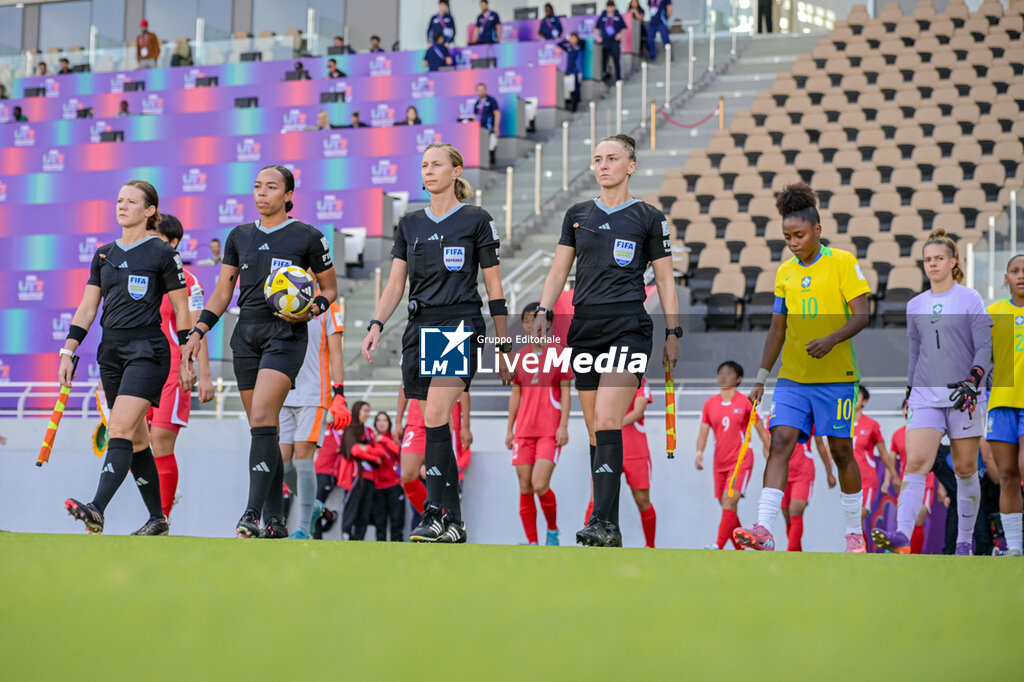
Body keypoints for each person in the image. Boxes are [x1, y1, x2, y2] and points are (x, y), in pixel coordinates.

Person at [531, 134, 679, 547]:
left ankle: (603, 522)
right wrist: (544, 311)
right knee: (596, 432)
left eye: (612, 158)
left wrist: (673, 331)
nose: (603, 165)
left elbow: (664, 279)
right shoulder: (577, 214)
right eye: (597, 159)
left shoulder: (650, 217)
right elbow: (559, 271)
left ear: (631, 165)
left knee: (609, 420)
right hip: (586, 331)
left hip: (629, 328)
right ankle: (606, 526)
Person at [362, 142, 513, 543]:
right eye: (424, 165)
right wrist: (377, 323)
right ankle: (455, 522)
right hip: (420, 325)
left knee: (434, 414)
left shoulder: (477, 220)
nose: (428, 171)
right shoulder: (409, 223)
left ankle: (434, 512)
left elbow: (494, 286)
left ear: (456, 171)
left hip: (460, 322)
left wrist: (503, 343)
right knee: (436, 420)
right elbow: (396, 283)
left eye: (436, 165)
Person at [180, 164, 338, 539]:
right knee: (261, 430)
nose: (261, 193)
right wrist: (198, 331)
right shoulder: (239, 236)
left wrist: (313, 307)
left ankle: (250, 514)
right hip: (245, 335)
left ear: (287, 195)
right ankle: (276, 519)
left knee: (265, 415)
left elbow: (329, 289)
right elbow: (222, 292)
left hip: (286, 335)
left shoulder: (309, 237)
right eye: (257, 186)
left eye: (271, 187)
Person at [733, 182, 871, 552]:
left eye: (799, 234)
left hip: (836, 379)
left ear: (818, 230)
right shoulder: (785, 274)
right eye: (787, 236)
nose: (793, 242)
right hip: (793, 377)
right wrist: (762, 377)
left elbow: (862, 316)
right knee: (780, 442)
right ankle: (763, 529)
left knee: (841, 450)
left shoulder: (843, 262)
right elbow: (778, 328)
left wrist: (832, 339)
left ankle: (854, 532)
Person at [63, 180, 192, 536]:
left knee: (118, 428)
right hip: (111, 354)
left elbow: (182, 309)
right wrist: (68, 349)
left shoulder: (162, 254)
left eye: (131, 201)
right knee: (136, 440)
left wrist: (188, 357)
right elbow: (89, 308)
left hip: (148, 352)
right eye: (119, 200)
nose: (122, 206)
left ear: (150, 210)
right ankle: (158, 520)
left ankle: (97, 508)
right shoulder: (103, 254)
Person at [873, 230, 992, 555]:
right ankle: (902, 536)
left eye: (939, 258)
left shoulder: (970, 299)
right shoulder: (915, 304)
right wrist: (910, 389)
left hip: (964, 396)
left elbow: (984, 345)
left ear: (953, 262)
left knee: (965, 469)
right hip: (925, 395)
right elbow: (915, 351)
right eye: (928, 260)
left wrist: (974, 379)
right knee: (916, 463)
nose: (933, 264)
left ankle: (964, 542)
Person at [146, 214, 215, 523]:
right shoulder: (142, 277)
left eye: (156, 238)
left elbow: (198, 330)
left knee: (160, 442)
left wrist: (204, 374)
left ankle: (161, 518)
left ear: (173, 243)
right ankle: (156, 510)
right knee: (138, 444)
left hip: (175, 371)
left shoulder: (189, 281)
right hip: (142, 370)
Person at [278, 284, 349, 539]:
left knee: (303, 458)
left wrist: (339, 393)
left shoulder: (328, 306)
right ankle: (315, 506)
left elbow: (337, 354)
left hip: (314, 393)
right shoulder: (281, 300)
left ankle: (303, 528)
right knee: (283, 462)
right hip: (283, 389)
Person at [505, 302, 571, 545]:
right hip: (523, 431)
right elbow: (516, 395)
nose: (531, 324)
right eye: (526, 319)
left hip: (549, 431)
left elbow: (565, 392)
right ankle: (532, 542)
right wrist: (509, 429)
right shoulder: (519, 356)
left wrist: (563, 425)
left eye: (536, 319)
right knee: (525, 486)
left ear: (549, 324)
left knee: (540, 483)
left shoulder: (559, 353)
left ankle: (552, 531)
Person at [695, 361, 770, 550]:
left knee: (729, 501)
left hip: (740, 460)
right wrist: (699, 452)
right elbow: (703, 432)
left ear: (738, 379)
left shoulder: (745, 402)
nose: (723, 376)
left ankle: (717, 546)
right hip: (719, 462)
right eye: (720, 373)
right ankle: (741, 550)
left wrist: (769, 449)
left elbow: (761, 430)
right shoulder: (709, 404)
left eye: (728, 373)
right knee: (727, 506)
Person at [987, 254, 1024, 556]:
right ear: (1006, 278)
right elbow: (978, 356)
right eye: (1014, 271)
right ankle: (1014, 548)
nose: (1020, 275)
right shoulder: (992, 313)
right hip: (1000, 402)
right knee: (1008, 474)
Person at [890, 397, 937, 554]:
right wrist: (890, 478)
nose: (908, 411)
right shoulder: (897, 435)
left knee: (918, 518)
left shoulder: (928, 432)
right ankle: (905, 551)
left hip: (927, 480)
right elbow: (891, 457)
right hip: (907, 482)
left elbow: (937, 458)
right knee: (906, 519)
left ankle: (914, 554)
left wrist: (942, 485)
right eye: (905, 408)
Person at [852, 385, 899, 533]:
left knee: (858, 517)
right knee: (853, 522)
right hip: (848, 480)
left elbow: (884, 453)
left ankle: (854, 552)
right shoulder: (842, 424)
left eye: (857, 396)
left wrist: (894, 476)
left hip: (866, 480)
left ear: (864, 401)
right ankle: (860, 552)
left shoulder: (872, 425)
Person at [782, 431, 835, 551]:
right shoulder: (774, 414)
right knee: (786, 515)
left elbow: (820, 444)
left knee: (795, 509)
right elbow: (769, 443)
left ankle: (789, 553)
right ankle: (797, 552)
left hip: (803, 471)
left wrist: (829, 472)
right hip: (783, 471)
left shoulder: (809, 414)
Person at [371, 411, 405, 541]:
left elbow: (400, 452)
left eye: (384, 420)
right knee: (380, 522)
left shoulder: (394, 438)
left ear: (389, 423)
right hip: (378, 486)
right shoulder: (371, 440)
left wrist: (384, 440)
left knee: (397, 520)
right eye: (379, 420)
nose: (381, 423)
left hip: (394, 485)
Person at [594, 1, 627, 84]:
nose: (610, 8)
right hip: (605, 41)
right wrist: (598, 37)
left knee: (616, 60)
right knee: (604, 60)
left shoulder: (618, 16)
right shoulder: (603, 16)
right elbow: (596, 28)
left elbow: (624, 28)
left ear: (614, 7)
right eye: (609, 6)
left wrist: (619, 35)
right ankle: (604, 78)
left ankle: (619, 78)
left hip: (614, 42)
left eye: (612, 6)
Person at [474, 83, 500, 165]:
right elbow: (475, 116)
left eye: (482, 89)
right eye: (479, 90)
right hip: (481, 128)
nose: (481, 92)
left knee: (491, 145)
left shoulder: (491, 100)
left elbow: (497, 114)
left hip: (490, 127)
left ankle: (492, 161)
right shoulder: (477, 103)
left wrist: (496, 127)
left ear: (486, 90)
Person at [560, 32, 584, 112]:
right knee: (568, 88)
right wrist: (567, 40)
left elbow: (583, 43)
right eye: (571, 38)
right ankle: (568, 104)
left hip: (576, 71)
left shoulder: (579, 47)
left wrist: (576, 41)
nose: (572, 39)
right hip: (569, 71)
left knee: (576, 88)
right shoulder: (569, 48)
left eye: (574, 38)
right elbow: (559, 44)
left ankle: (576, 104)